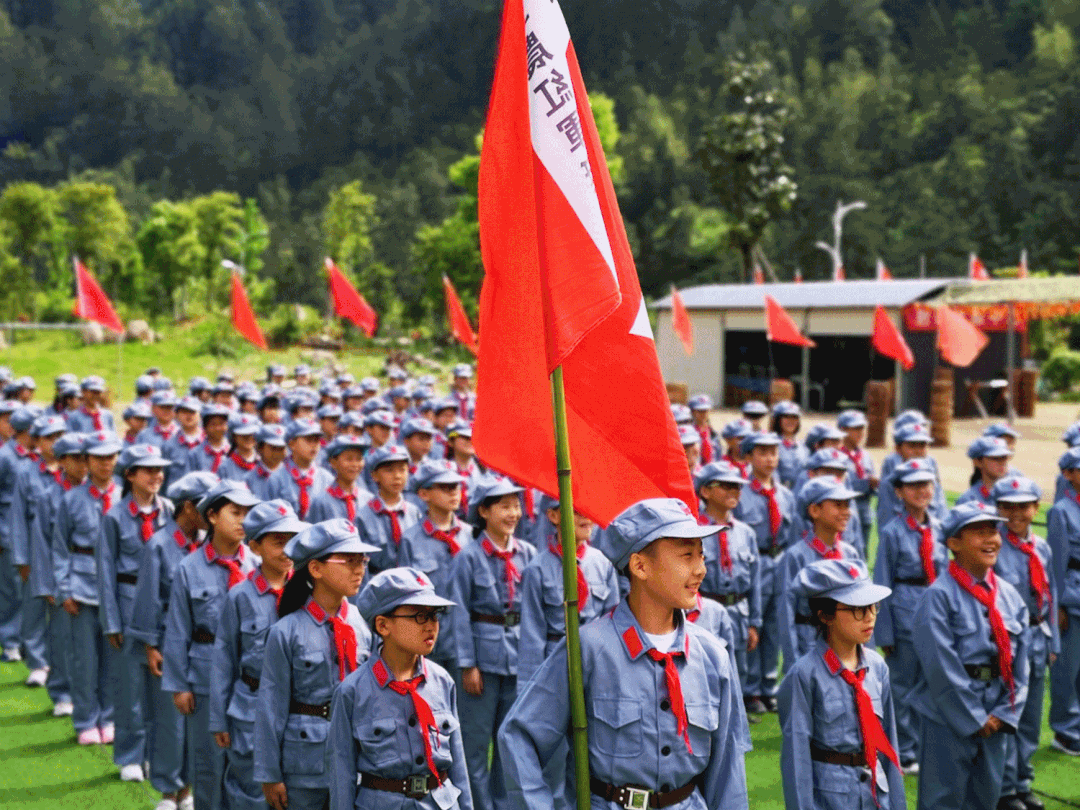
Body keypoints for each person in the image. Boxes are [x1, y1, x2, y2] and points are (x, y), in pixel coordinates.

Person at [498, 497, 750, 810]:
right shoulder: (589, 649)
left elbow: (728, 767)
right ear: (640, 566)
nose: (700, 569)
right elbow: (519, 736)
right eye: (686, 556)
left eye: (701, 555)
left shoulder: (712, 655)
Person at [910, 502, 1030, 810]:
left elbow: (1021, 664)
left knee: (985, 799)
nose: (990, 539)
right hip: (947, 715)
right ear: (954, 543)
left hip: (996, 713)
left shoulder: (1009, 595)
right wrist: (974, 717)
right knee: (942, 800)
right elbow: (940, 665)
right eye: (978, 532)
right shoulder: (938, 596)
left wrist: (1005, 712)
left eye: (993, 531)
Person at [253, 520, 376, 810]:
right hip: (304, 763)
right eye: (348, 560)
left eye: (362, 560)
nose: (359, 569)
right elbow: (271, 705)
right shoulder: (286, 631)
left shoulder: (362, 624)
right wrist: (270, 775)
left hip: (356, 757)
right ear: (316, 569)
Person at [329, 568, 473, 810]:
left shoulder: (442, 681)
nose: (431, 626)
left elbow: (458, 765)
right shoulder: (352, 692)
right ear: (383, 625)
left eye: (434, 615)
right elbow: (341, 773)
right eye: (419, 616)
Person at [163, 480, 261, 810]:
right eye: (235, 512)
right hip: (204, 676)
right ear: (213, 516)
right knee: (207, 763)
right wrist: (179, 685)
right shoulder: (189, 568)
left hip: (248, 678)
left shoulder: (257, 566)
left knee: (248, 762)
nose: (243, 520)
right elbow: (178, 629)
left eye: (247, 513)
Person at [777, 559, 905, 810]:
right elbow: (796, 759)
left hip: (876, 796)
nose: (869, 617)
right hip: (830, 799)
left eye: (873, 606)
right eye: (858, 609)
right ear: (825, 615)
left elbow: (889, 744)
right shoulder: (804, 675)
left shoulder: (877, 667)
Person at [210, 501, 309, 810]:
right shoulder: (240, 596)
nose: (287, 550)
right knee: (250, 791)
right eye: (277, 542)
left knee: (295, 791)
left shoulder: (310, 593)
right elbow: (224, 658)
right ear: (254, 546)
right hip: (250, 708)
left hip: (298, 710)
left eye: (292, 541)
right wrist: (219, 718)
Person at [447, 475, 536, 810]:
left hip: (519, 658)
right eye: (504, 506)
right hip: (482, 663)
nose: (513, 513)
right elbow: (458, 613)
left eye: (516, 506)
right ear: (483, 511)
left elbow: (535, 613)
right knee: (474, 742)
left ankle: (502, 804)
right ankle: (477, 805)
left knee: (508, 740)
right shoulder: (468, 557)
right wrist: (468, 664)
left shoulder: (528, 554)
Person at [130, 471, 217, 810]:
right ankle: (168, 790)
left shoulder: (208, 545)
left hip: (202, 644)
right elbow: (148, 598)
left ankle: (188, 789)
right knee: (169, 720)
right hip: (169, 641)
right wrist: (151, 645)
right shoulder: (160, 544)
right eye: (207, 507)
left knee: (196, 719)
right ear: (188, 507)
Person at [99, 443, 173, 782]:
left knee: (161, 689)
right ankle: (130, 755)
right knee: (129, 688)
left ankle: (158, 755)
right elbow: (104, 570)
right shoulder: (114, 517)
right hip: (128, 603)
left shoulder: (168, 510)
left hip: (162, 606)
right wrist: (111, 621)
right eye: (148, 469)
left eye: (160, 469)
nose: (157, 475)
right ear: (130, 475)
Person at [872, 458, 947, 773]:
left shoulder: (941, 528)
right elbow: (882, 580)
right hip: (905, 613)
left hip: (937, 615)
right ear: (899, 492)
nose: (921, 491)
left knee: (933, 683)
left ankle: (927, 744)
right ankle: (903, 749)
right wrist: (884, 631)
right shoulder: (892, 532)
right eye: (913, 486)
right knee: (903, 687)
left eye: (926, 484)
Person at [51, 430, 124, 745]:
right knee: (84, 659)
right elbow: (59, 548)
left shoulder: (124, 497)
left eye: (110, 457)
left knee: (113, 658)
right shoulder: (71, 499)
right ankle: (85, 720)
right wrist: (64, 589)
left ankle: (108, 717)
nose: (105, 463)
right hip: (83, 584)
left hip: (117, 588)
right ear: (87, 460)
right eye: (98, 458)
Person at [993, 475, 1057, 810]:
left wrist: (1053, 641)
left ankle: (1023, 781)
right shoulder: (994, 546)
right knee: (1009, 713)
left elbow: (1050, 592)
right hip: (1009, 640)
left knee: (1031, 717)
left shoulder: (1041, 547)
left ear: (1036, 507)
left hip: (1038, 636)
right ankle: (1005, 788)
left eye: (1023, 506)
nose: (1016, 513)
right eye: (1007, 507)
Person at [517, 494, 619, 689]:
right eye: (577, 511)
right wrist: (529, 686)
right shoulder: (537, 570)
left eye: (588, 510)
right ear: (553, 516)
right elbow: (532, 634)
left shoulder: (603, 564)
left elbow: (614, 620)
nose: (586, 517)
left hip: (596, 661)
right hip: (555, 662)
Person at [734, 431, 795, 715]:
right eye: (762, 452)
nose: (770, 458)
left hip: (779, 561)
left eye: (774, 452)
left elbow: (791, 535)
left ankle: (769, 686)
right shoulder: (742, 494)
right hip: (753, 562)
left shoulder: (785, 496)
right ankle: (750, 689)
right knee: (752, 625)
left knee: (775, 626)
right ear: (748, 457)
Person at [26, 430, 86, 717]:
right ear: (62, 461)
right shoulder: (49, 496)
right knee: (62, 638)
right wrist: (47, 584)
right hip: (61, 573)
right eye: (75, 458)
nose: (82, 464)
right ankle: (62, 692)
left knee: (91, 642)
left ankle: (91, 695)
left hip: (92, 574)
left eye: (85, 458)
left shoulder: (102, 492)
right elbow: (40, 543)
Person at [779, 478, 862, 674]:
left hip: (845, 643)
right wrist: (792, 661)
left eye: (847, 505)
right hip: (809, 643)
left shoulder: (850, 554)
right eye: (838, 505)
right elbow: (786, 611)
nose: (847, 512)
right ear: (815, 510)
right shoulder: (796, 556)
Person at [694, 460, 761, 701]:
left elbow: (755, 582)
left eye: (738, 487)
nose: (734, 491)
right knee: (703, 668)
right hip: (703, 611)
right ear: (705, 491)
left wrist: (754, 622)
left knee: (738, 670)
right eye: (725, 486)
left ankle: (735, 716)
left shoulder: (746, 533)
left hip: (737, 612)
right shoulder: (694, 531)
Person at [10, 414, 66, 690]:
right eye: (48, 438)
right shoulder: (27, 473)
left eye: (59, 437)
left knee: (62, 609)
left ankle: (61, 663)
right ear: (37, 441)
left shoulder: (73, 472)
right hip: (35, 546)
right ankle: (38, 663)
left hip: (65, 548)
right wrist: (21, 558)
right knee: (34, 608)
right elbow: (18, 517)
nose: (54, 443)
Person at [397, 459, 469, 671]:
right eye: (445, 488)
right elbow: (406, 596)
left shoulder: (470, 536)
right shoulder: (411, 539)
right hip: (428, 634)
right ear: (424, 494)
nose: (453, 493)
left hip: (466, 638)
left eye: (456, 487)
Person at [1047, 446, 1080, 756]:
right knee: (1067, 669)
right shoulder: (1061, 510)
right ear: (1068, 474)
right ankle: (1065, 732)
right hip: (1072, 596)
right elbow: (1056, 564)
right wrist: (1056, 605)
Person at [355, 444, 422, 574]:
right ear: (375, 475)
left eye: (402, 470)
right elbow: (360, 561)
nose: (397, 476)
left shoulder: (414, 512)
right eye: (389, 470)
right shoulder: (363, 516)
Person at [268, 418, 333, 520]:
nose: (314, 445)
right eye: (308, 440)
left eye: (316, 440)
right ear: (292, 444)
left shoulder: (327, 478)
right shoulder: (276, 478)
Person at [305, 435, 372, 525]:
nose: (355, 464)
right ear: (333, 462)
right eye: (349, 459)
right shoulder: (321, 502)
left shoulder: (368, 500)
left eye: (359, 459)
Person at [837, 409, 877, 553]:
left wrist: (874, 484)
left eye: (862, 428)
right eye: (855, 429)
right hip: (846, 512)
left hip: (865, 511)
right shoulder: (837, 456)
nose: (860, 432)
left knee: (863, 552)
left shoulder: (865, 455)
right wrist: (866, 483)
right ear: (843, 430)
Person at [957, 436, 1014, 507]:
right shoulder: (968, 500)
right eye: (995, 458)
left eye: (1004, 457)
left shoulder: (1014, 493)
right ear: (977, 462)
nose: (1002, 462)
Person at [216, 413, 262, 483]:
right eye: (243, 435)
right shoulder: (225, 467)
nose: (249, 438)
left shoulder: (264, 462)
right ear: (234, 437)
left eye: (252, 434)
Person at [246, 423, 287, 500]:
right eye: (273, 448)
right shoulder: (249, 479)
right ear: (260, 448)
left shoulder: (293, 478)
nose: (277, 453)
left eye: (281, 448)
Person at [771, 401, 804, 490]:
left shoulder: (804, 447)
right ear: (777, 419)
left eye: (794, 417)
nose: (791, 421)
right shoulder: (770, 445)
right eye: (786, 417)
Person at [688, 393, 717, 464]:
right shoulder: (688, 433)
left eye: (706, 411)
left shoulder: (713, 433)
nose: (703, 414)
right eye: (700, 411)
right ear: (692, 412)